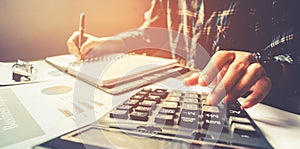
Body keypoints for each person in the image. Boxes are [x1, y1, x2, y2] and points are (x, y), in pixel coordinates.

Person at [67, 0, 300, 111]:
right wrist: (107, 43)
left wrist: (267, 66)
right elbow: (149, 32)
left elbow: (293, 58)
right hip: (180, 104)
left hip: (258, 115)